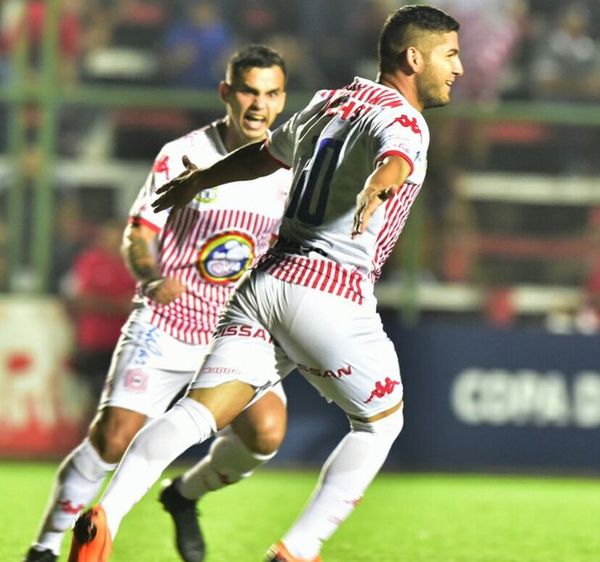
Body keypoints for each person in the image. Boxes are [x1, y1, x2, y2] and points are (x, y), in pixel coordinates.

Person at [69, 6, 463, 562]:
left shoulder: (331, 101)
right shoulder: (407, 119)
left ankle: (106, 512)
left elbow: (266, 154)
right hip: (330, 290)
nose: (459, 68)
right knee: (381, 424)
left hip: (265, 282)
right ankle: (297, 551)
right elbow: (396, 154)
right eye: (450, 54)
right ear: (413, 57)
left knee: (198, 414)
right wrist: (380, 184)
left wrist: (200, 178)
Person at [23, 44, 291, 562]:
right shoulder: (186, 155)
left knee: (266, 435)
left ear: (282, 99)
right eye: (248, 92)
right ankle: (45, 549)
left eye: (271, 93)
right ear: (226, 93)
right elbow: (139, 232)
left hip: (238, 331)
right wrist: (149, 276)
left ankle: (184, 495)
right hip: (170, 321)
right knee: (113, 437)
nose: (259, 105)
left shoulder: (289, 170)